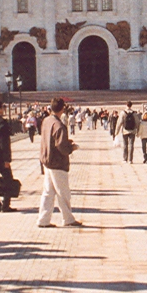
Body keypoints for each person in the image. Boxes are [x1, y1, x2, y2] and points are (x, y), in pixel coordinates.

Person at [37, 97, 82, 228]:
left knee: (48, 192)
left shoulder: (46, 121)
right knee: (63, 192)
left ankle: (43, 219)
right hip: (57, 162)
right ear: (63, 108)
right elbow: (61, 146)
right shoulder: (59, 125)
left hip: (47, 160)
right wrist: (71, 148)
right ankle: (68, 219)